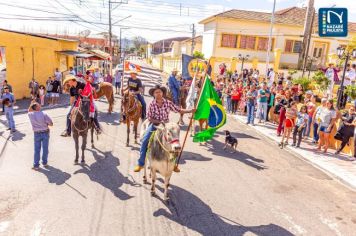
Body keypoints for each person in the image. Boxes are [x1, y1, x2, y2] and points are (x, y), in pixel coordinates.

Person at [134, 85, 194, 173]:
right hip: (155, 125)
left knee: (175, 142)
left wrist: (190, 111)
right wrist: (159, 122)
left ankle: (173, 165)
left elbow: (178, 110)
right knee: (144, 140)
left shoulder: (168, 103)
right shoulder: (152, 104)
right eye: (156, 92)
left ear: (162, 93)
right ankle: (140, 163)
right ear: (154, 94)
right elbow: (149, 118)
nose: (158, 94)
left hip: (166, 125)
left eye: (160, 92)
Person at [28, 102, 53, 170]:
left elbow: (29, 110)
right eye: (38, 105)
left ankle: (36, 165)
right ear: (37, 107)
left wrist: (32, 104)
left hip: (36, 133)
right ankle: (44, 163)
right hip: (45, 132)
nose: (40, 105)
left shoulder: (30, 114)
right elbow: (51, 124)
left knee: (37, 150)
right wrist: (46, 124)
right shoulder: (44, 114)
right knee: (45, 149)